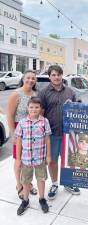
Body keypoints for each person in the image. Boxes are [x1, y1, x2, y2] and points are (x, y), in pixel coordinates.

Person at [38, 65, 80, 199]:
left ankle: (68, 182)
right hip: (52, 133)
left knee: (69, 160)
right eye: (53, 75)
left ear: (62, 75)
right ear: (49, 76)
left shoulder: (70, 92)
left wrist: (74, 105)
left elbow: (79, 110)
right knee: (52, 161)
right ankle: (55, 183)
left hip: (68, 133)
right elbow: (40, 114)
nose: (56, 77)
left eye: (59, 74)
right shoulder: (44, 92)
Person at [15, 97, 51, 216]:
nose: (34, 109)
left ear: (40, 109)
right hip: (26, 159)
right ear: (27, 108)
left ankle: (41, 199)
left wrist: (48, 156)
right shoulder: (22, 122)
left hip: (40, 158)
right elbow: (19, 141)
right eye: (31, 107)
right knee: (25, 181)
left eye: (36, 107)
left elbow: (47, 139)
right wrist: (19, 159)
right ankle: (25, 200)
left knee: (41, 179)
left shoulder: (44, 121)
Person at [7, 70, 37, 200]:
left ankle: (28, 183)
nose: (30, 80)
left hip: (32, 131)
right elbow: (10, 115)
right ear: (23, 78)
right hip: (20, 131)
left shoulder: (35, 94)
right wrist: (13, 133)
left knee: (29, 161)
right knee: (19, 160)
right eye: (28, 78)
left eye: (33, 78)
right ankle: (19, 185)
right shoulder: (16, 94)